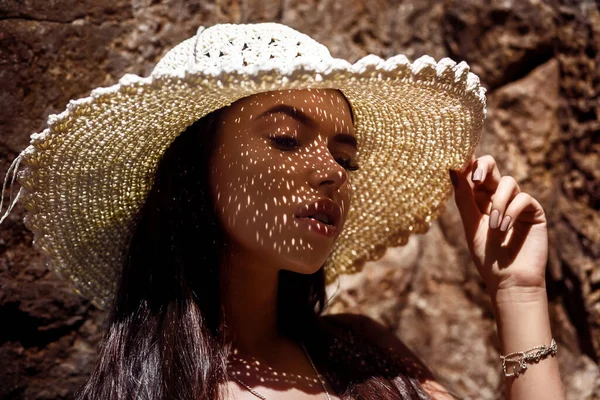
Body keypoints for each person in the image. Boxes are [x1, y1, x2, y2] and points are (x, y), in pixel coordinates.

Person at [0, 23, 564, 399]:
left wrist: (517, 290)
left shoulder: (366, 357)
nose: (332, 173)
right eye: (287, 140)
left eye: (348, 157)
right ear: (194, 171)